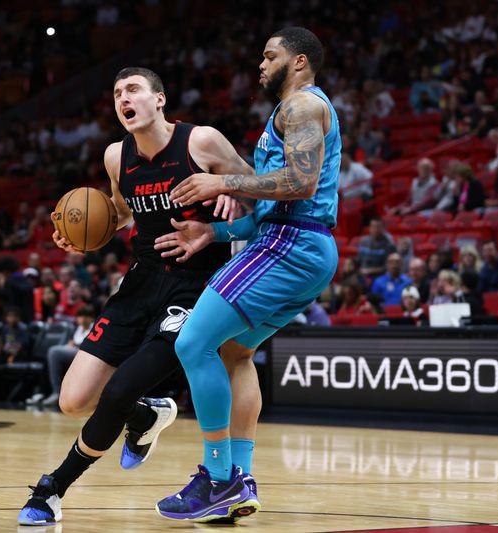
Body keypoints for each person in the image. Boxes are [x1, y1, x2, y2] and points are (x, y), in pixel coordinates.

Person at [18, 67, 258, 526]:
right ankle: (148, 414)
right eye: (116, 93)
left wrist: (233, 195)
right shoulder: (116, 156)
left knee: (122, 388)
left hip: (196, 285)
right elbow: (122, 212)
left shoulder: (201, 141)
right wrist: (86, 234)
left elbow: (258, 188)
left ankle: (52, 489)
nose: (122, 99)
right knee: (72, 400)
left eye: (132, 90)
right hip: (141, 281)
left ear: (160, 99)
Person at [151, 27, 340, 521]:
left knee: (192, 343)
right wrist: (210, 235)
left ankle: (217, 479)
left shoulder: (302, 107)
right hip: (299, 243)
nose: (260, 64)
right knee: (235, 351)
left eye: (269, 55)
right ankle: (241, 476)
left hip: (290, 243)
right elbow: (272, 205)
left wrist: (221, 180)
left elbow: (300, 184)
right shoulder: (289, 113)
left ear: (298, 62)